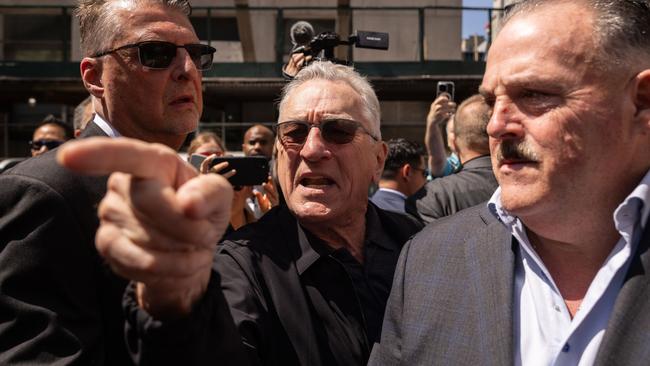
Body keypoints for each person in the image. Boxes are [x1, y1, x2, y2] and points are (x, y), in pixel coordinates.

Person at [58, 61, 423, 366]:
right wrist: (171, 296)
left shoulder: (424, 246)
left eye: (338, 131)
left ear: (378, 159)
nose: (312, 149)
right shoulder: (241, 263)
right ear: (279, 155)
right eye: (294, 132)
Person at [369, 0, 650, 364]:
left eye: (533, 94)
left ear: (641, 102)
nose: (496, 126)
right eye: (491, 102)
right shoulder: (429, 261)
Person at [0, 0, 215, 364]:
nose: (187, 69)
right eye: (156, 53)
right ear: (94, 77)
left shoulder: (191, 189)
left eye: (196, 54)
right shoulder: (45, 192)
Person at [405, 94, 498, 223]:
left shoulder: (431, 199)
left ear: (454, 142)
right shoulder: (526, 186)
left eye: (452, 132)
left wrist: (432, 123)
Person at [370, 138, 427, 213]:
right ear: (407, 172)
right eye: (424, 173)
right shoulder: (412, 216)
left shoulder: (366, 208)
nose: (426, 181)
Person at [424, 93, 459, 177]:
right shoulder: (451, 166)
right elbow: (437, 161)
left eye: (462, 131)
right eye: (454, 132)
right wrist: (432, 123)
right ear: (447, 140)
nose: (457, 137)